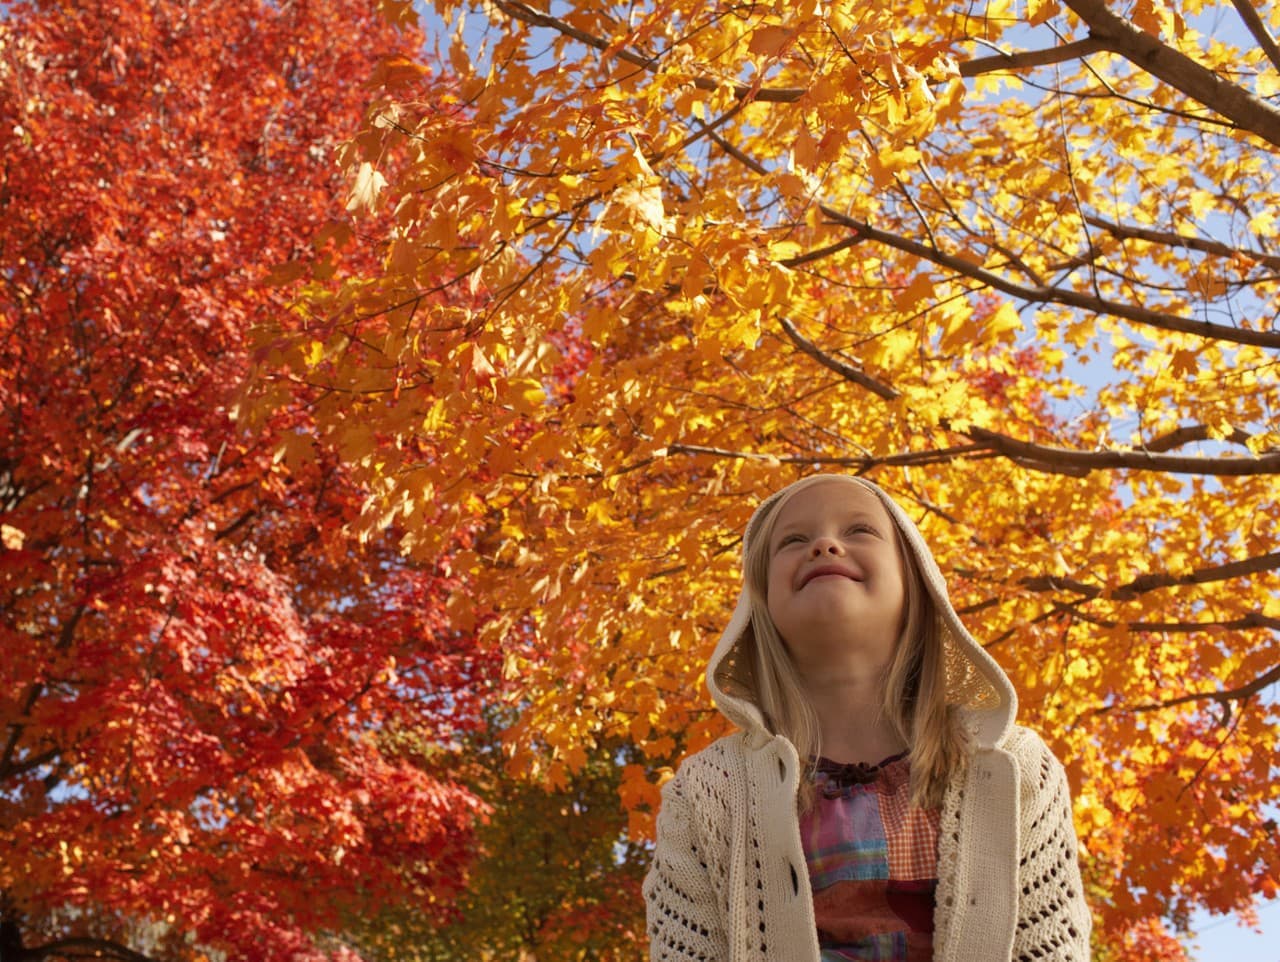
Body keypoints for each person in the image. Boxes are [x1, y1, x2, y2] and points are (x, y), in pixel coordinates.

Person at [643, 474, 1092, 961]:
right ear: (759, 604)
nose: (824, 545)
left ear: (916, 581)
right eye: (793, 541)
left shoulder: (1014, 768)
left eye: (859, 531)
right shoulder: (707, 792)